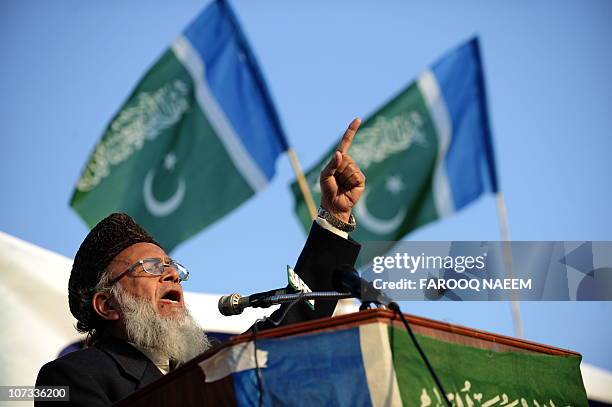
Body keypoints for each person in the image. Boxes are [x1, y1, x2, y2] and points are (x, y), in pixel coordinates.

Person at [35, 118, 367, 406]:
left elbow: (284, 334)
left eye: (171, 267)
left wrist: (335, 218)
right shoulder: (70, 377)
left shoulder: (207, 367)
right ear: (107, 304)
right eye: (151, 267)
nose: (171, 276)